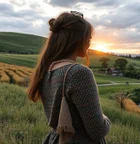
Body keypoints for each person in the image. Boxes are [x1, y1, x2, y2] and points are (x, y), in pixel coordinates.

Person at [27, 11, 111, 144]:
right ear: (78, 40)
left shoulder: (46, 70)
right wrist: (105, 118)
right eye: (88, 39)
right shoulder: (79, 73)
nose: (89, 44)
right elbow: (97, 130)